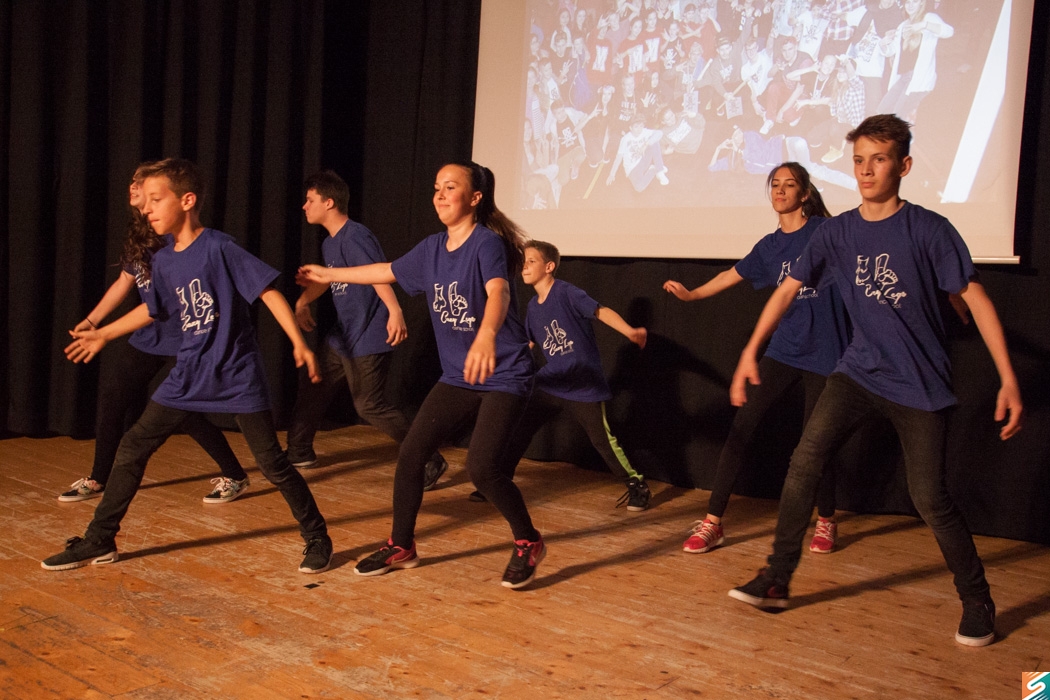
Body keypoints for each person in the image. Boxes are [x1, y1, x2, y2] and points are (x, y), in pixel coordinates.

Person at [726, 115, 1022, 648]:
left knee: (929, 499)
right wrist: (751, 350)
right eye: (859, 160)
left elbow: (976, 300)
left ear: (902, 166)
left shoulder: (929, 229)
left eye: (878, 160)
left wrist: (1008, 378)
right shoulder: (835, 232)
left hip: (919, 384)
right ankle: (777, 577)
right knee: (804, 461)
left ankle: (977, 599)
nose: (865, 170)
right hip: (858, 373)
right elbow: (787, 289)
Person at [42, 158, 333, 574]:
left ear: (187, 200)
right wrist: (104, 333)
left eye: (156, 199)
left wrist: (299, 343)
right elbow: (153, 310)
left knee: (273, 464)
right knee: (133, 446)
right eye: (146, 202)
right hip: (188, 372)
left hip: (236, 375)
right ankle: (99, 539)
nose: (147, 209)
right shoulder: (163, 260)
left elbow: (268, 292)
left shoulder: (219, 247)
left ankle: (317, 536)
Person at [297, 161, 546, 589]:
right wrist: (329, 274)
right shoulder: (432, 248)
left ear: (475, 198)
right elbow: (386, 271)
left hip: (504, 372)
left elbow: (499, 291)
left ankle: (528, 541)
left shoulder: (486, 244)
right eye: (436, 187)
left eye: (451, 187)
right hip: (459, 375)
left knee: (482, 469)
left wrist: (487, 335)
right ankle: (402, 545)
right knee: (412, 454)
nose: (440, 195)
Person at [664, 161, 849, 554]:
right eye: (775, 184)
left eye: (789, 185)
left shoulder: (824, 231)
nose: (779, 190)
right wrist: (692, 295)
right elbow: (730, 275)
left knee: (816, 442)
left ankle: (827, 520)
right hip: (784, 349)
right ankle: (713, 522)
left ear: (804, 193)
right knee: (741, 429)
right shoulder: (769, 246)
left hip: (826, 351)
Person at [59, 163, 251, 506]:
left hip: (184, 337)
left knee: (184, 413)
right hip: (148, 337)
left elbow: (157, 305)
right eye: (133, 182)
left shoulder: (170, 230)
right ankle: (98, 477)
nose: (134, 187)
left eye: (143, 184)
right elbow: (125, 281)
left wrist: (105, 333)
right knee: (113, 399)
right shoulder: (142, 231)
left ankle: (235, 475)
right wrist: (92, 320)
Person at [288, 170, 448, 489]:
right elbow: (329, 278)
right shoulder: (330, 243)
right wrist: (303, 301)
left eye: (310, 200)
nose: (304, 206)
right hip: (343, 336)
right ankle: (298, 452)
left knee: (368, 405)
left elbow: (378, 274)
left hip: (367, 334)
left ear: (329, 202)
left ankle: (430, 458)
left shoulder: (355, 236)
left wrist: (394, 310)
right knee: (314, 384)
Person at [494, 240, 652, 510]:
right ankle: (498, 483)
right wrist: (503, 362)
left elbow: (599, 311)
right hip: (551, 381)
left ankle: (636, 484)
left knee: (602, 440)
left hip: (582, 384)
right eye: (523, 262)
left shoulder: (566, 293)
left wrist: (630, 331)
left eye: (531, 261)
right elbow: (529, 343)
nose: (524, 266)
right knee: (520, 428)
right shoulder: (533, 306)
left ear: (549, 266)